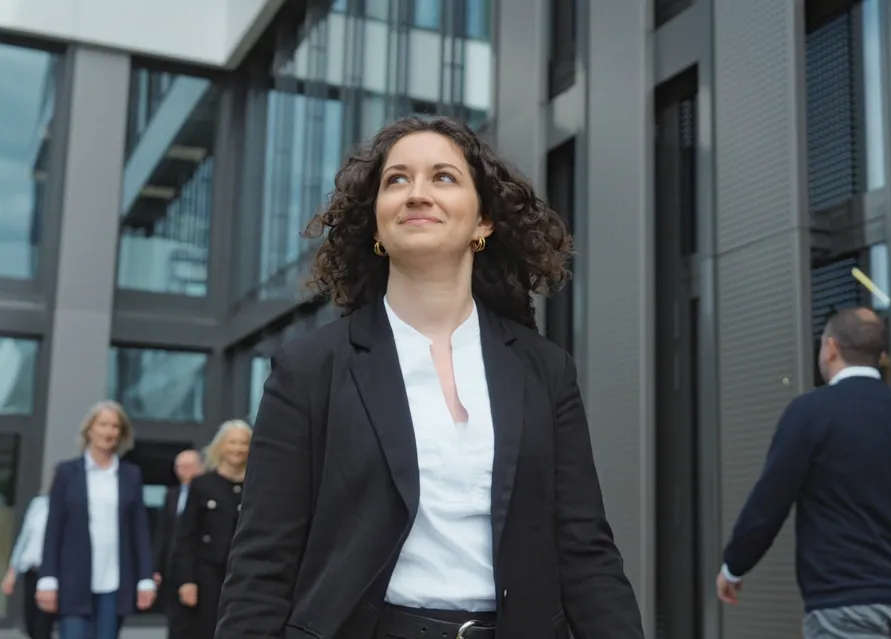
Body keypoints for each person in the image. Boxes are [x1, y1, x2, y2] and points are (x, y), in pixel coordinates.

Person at [216, 115, 644, 639]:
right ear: (376, 223)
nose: (417, 193)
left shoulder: (545, 370)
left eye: (443, 177)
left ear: (483, 220)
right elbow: (261, 564)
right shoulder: (308, 369)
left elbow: (586, 551)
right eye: (397, 179)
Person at [716, 308, 891, 639]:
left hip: (843, 607)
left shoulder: (810, 414)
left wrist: (734, 566)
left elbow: (769, 502)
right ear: (879, 354)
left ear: (831, 347)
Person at [36, 400, 157, 639]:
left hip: (114, 582)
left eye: (115, 426)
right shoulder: (67, 473)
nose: (108, 431)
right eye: (103, 424)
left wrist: (145, 578)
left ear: (122, 434)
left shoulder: (130, 475)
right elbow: (54, 529)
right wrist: (47, 578)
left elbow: (139, 531)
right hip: (73, 580)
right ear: (89, 430)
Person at [173, 420, 251, 639]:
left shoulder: (256, 487)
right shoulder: (201, 485)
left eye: (244, 443)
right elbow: (186, 536)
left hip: (243, 574)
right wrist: (186, 580)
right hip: (206, 574)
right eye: (232, 442)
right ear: (220, 446)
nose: (238, 448)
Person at [152, 449, 204, 639]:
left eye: (190, 466)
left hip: (199, 568)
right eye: (181, 467)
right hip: (172, 568)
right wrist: (156, 566)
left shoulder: (208, 493)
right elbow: (163, 534)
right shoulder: (172, 495)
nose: (185, 471)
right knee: (177, 623)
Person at [2, 471, 55, 639]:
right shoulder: (38, 503)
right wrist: (12, 572)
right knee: (30, 622)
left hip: (53, 573)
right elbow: (24, 538)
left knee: (43, 625)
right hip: (31, 569)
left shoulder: (69, 506)